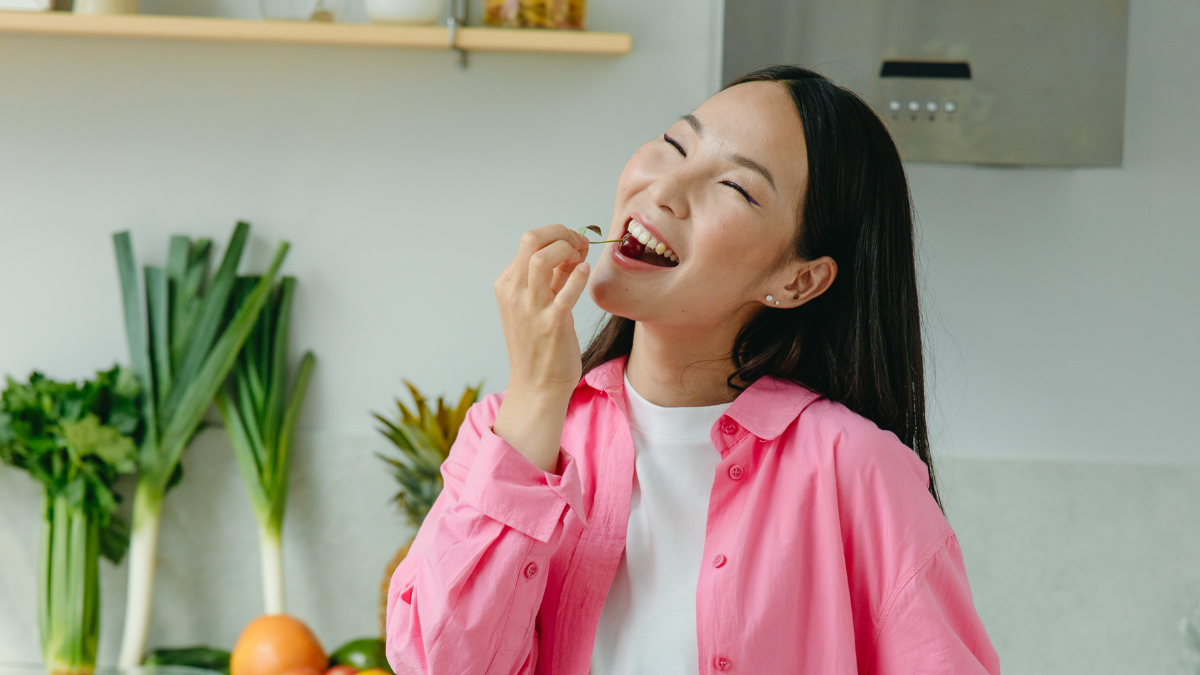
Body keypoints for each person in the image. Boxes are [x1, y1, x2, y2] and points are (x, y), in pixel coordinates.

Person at [384, 65, 1000, 675]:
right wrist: (538, 392)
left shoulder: (857, 470)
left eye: (734, 186)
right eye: (676, 144)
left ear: (798, 280)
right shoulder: (506, 437)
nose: (666, 189)